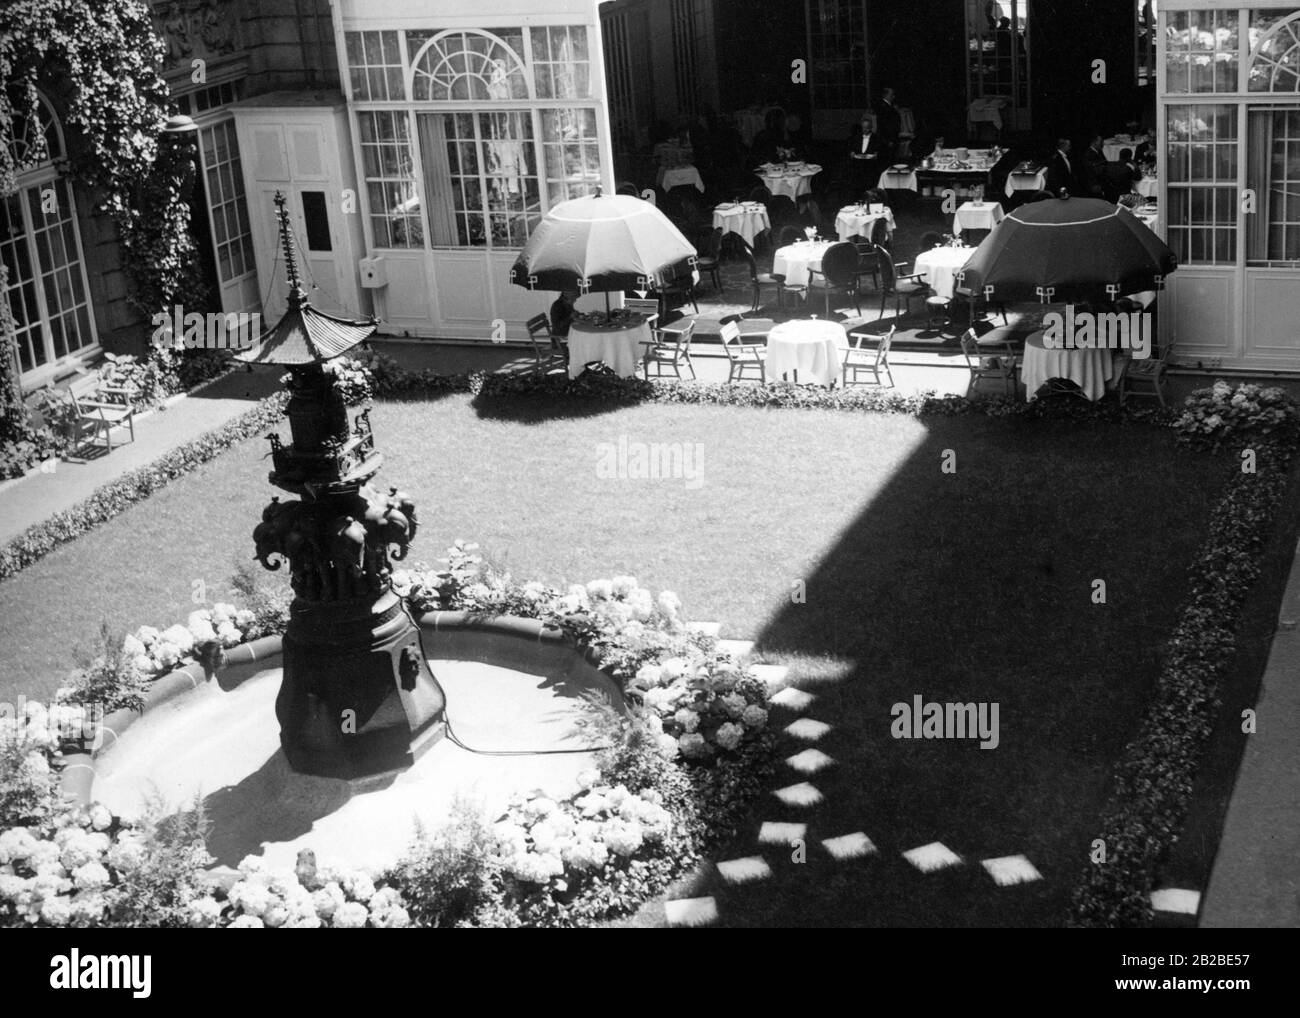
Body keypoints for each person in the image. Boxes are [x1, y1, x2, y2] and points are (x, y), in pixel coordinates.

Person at [847, 112, 887, 188]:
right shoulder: (856, 138)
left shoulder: (876, 138)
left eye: (867, 127)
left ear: (871, 127)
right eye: (864, 128)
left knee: (870, 183)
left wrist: (877, 154)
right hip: (858, 166)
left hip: (871, 166)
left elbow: (881, 150)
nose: (865, 130)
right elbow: (851, 148)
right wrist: (852, 153)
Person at [874, 88, 901, 158]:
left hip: (889, 139)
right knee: (888, 159)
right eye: (891, 95)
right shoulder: (884, 107)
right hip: (888, 139)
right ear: (886, 95)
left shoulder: (888, 106)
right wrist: (889, 140)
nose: (893, 96)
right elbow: (886, 125)